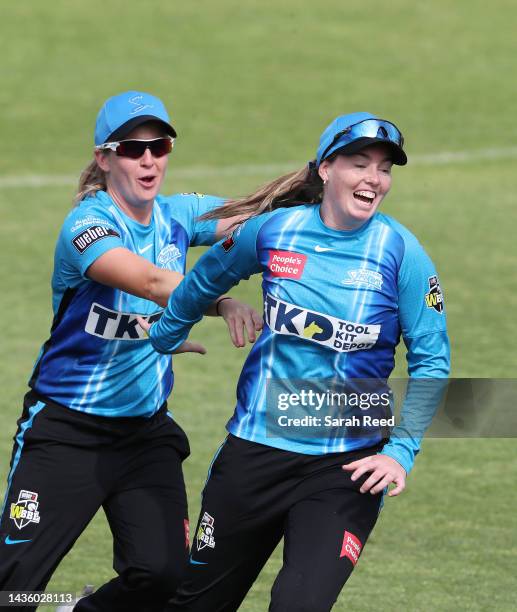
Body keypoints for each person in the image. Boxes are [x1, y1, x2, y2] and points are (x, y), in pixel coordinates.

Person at [142, 112, 450, 612]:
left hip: (344, 467)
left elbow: (432, 362)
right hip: (254, 455)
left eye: (384, 168)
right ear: (326, 169)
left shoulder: (402, 253)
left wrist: (400, 452)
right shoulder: (272, 231)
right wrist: (166, 335)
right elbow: (203, 282)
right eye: (359, 163)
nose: (374, 179)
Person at [0, 90, 261, 612]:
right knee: (14, 591)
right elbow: (146, 280)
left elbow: (259, 219)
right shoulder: (87, 228)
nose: (148, 159)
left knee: (162, 576)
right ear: (104, 157)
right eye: (132, 148)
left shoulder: (179, 215)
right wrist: (220, 301)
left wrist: (323, 179)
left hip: (144, 435)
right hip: (66, 432)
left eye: (159, 146)